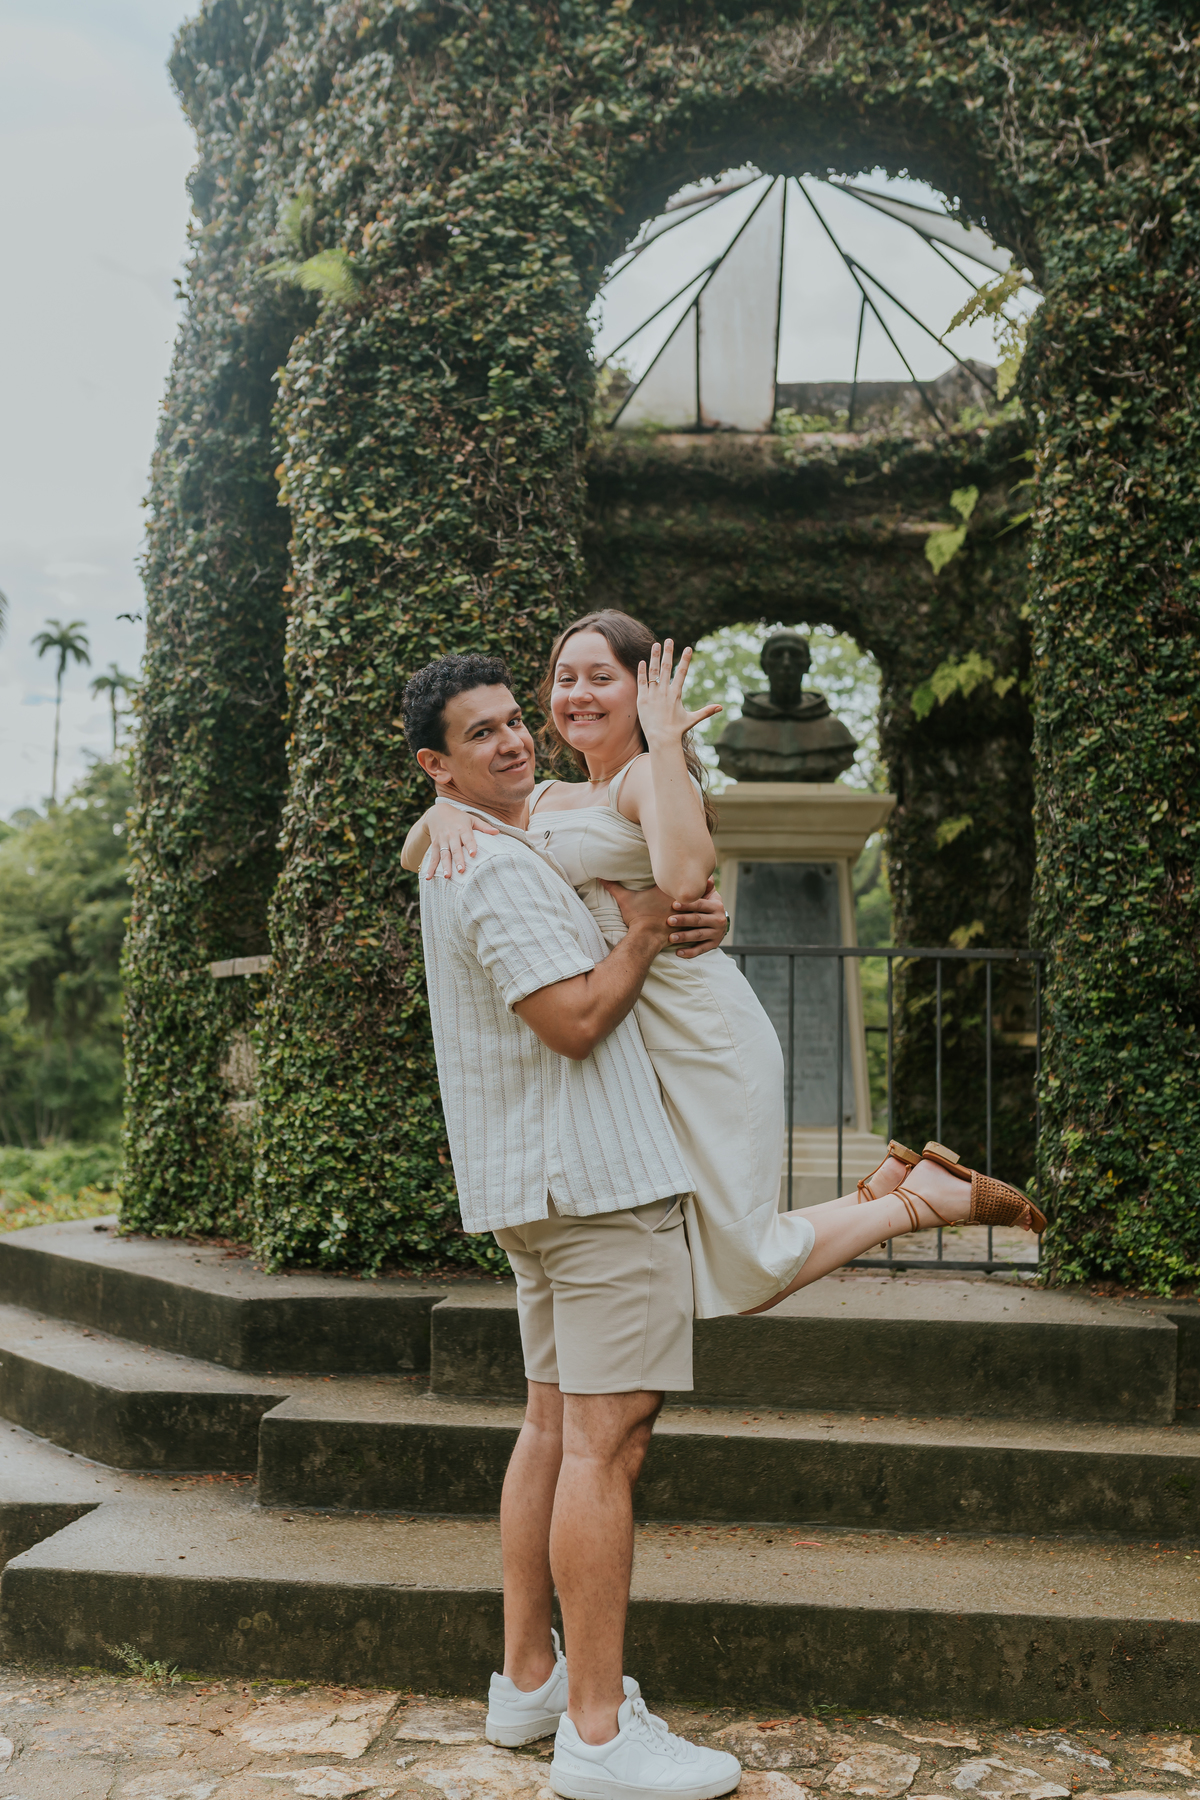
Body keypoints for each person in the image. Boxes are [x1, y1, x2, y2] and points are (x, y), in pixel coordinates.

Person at [401, 648, 1042, 1800]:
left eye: (514, 721)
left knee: (553, 1427)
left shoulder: (481, 841)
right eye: (484, 731)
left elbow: (603, 850)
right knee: (610, 1442)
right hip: (595, 1184)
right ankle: (597, 1739)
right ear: (437, 764)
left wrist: (616, 786)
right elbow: (579, 1021)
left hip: (537, 1188)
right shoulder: (490, 864)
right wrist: (646, 927)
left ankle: (530, 1681)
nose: (514, 739)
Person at [403, 610, 1046, 1322]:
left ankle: (918, 1201)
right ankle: (891, 1189)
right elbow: (429, 849)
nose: (577, 693)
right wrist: (442, 814)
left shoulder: (647, 776)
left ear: (645, 690)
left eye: (601, 677)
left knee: (741, 1265)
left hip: (700, 1035)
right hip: (635, 1050)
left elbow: (682, 880)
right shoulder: (544, 798)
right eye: (564, 678)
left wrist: (669, 744)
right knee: (689, 1257)